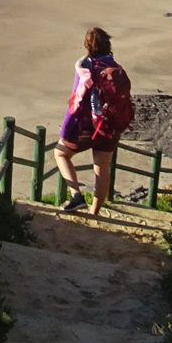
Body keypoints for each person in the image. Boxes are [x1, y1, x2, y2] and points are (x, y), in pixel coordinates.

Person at [54, 26, 133, 215]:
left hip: (89, 127)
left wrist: (65, 129)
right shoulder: (117, 68)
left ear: (88, 46)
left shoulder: (86, 69)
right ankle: (94, 212)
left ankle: (76, 196)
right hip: (110, 126)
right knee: (102, 169)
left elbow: (77, 100)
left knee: (60, 153)